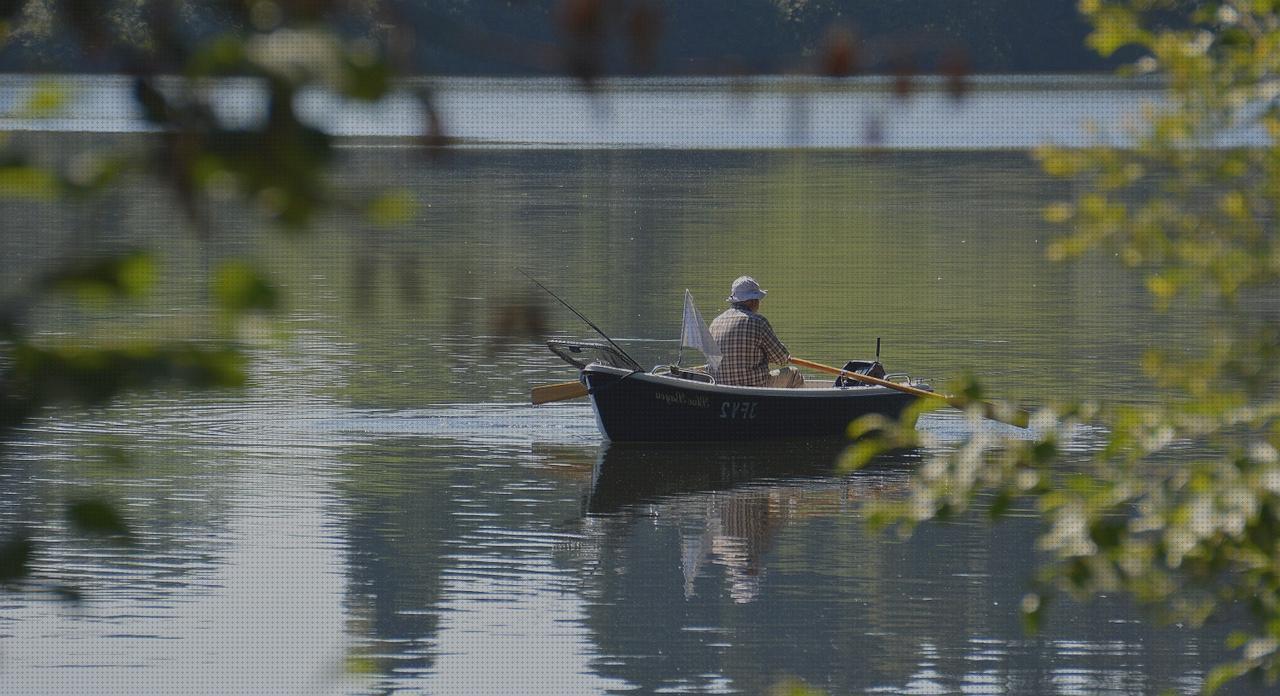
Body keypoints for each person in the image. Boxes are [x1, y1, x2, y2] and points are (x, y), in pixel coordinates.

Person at [708, 276, 805, 388]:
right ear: (752, 301)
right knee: (794, 373)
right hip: (755, 386)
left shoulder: (715, 323)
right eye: (758, 299)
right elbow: (781, 358)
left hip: (720, 387)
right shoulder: (758, 322)